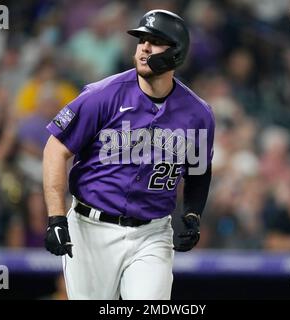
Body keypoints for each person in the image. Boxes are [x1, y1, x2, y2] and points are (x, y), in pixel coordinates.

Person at [43, 9, 215, 300]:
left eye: (156, 40)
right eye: (141, 40)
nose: (144, 47)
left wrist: (192, 213)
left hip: (152, 233)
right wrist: (56, 218)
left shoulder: (198, 114)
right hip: (90, 229)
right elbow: (55, 149)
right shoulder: (102, 95)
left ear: (176, 53)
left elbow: (199, 170)